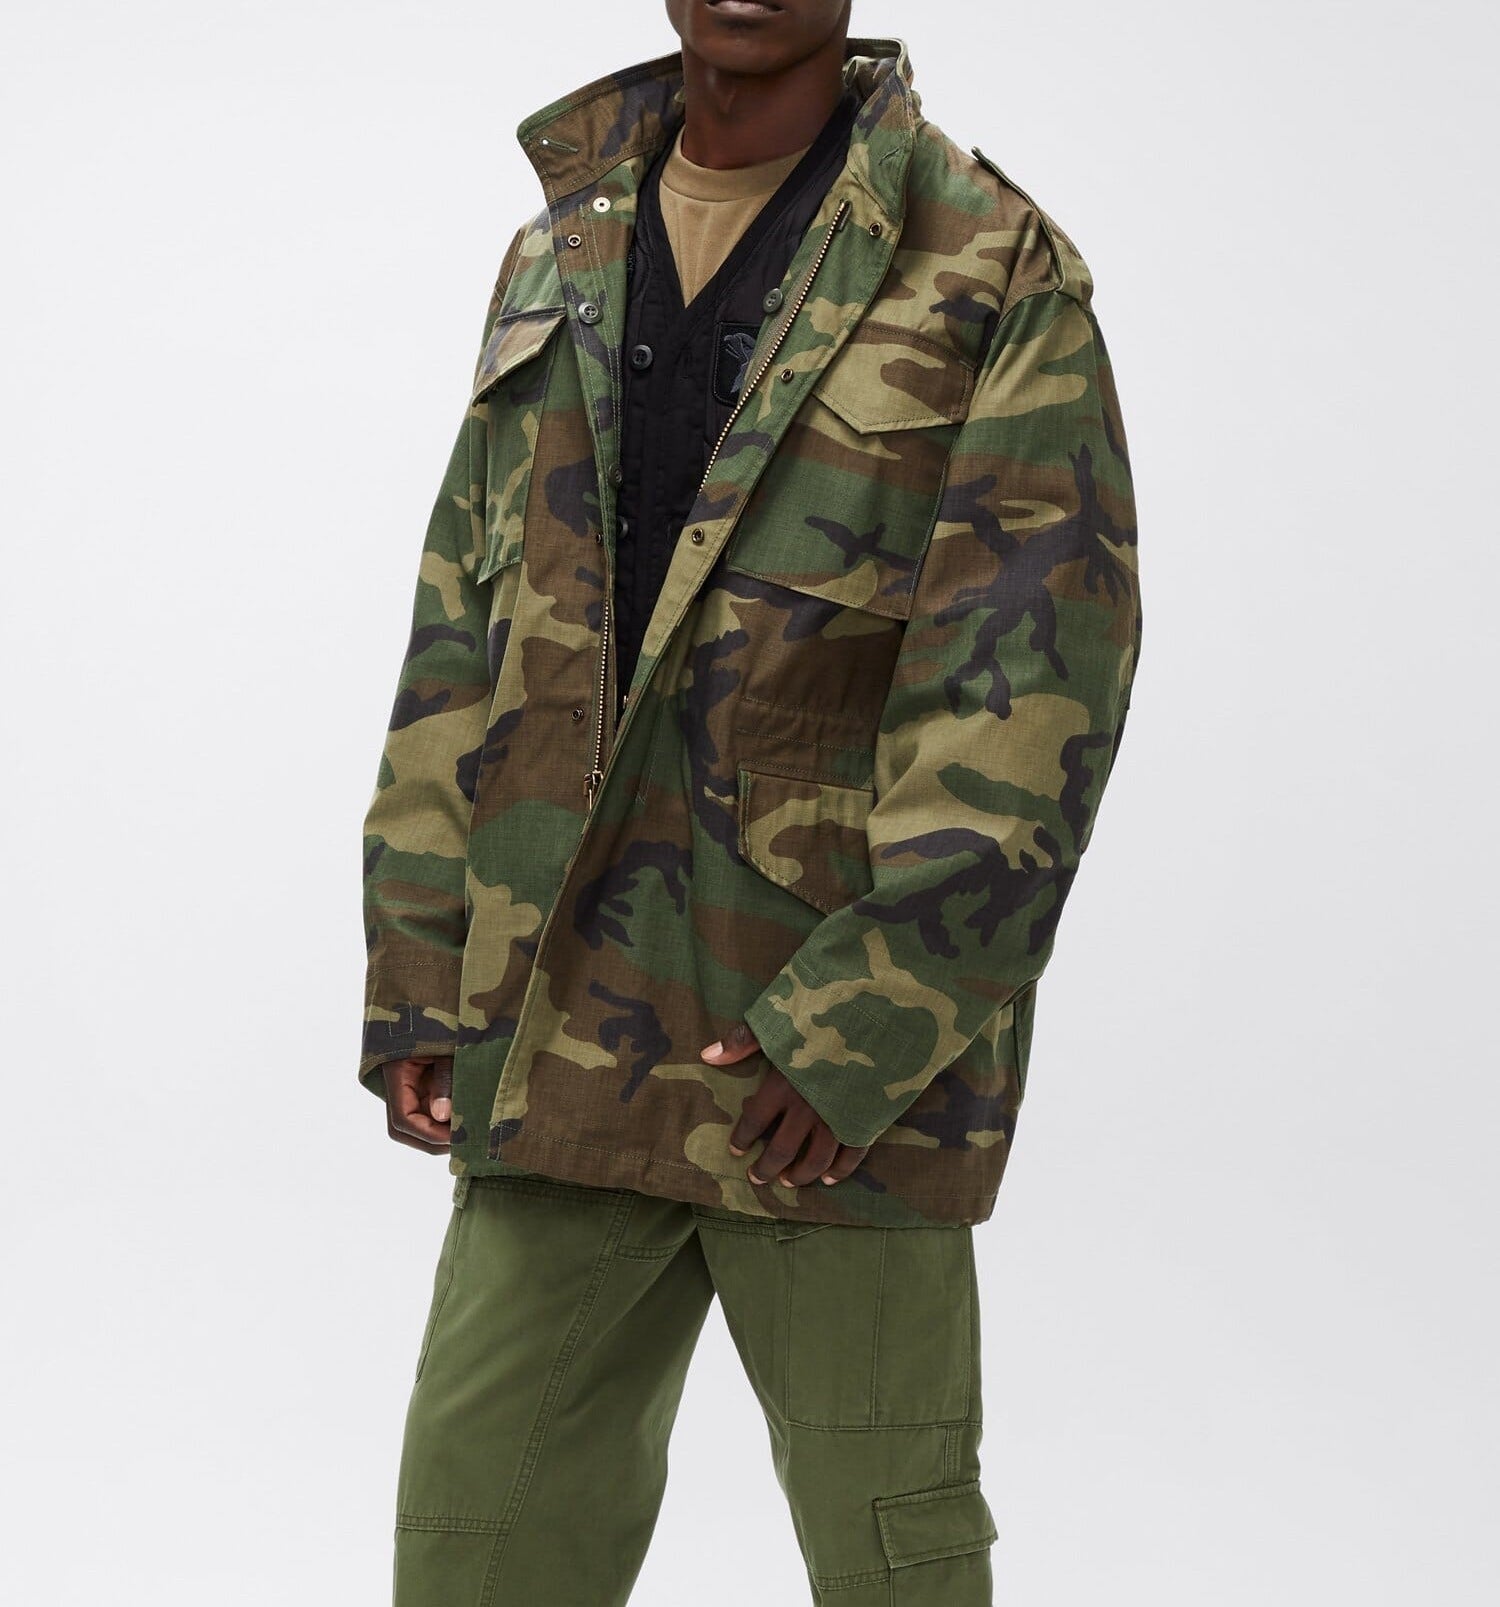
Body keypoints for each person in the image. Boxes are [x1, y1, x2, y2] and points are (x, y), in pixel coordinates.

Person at [358, 3, 1141, 1602]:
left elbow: (1033, 686)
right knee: (470, 1553)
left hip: (824, 1076)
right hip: (559, 1038)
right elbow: (463, 626)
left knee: (892, 1563)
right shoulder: (557, 252)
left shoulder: (991, 265)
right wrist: (422, 964)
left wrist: (862, 1025)